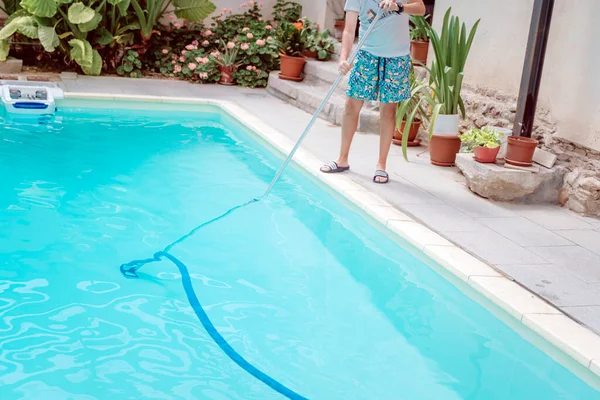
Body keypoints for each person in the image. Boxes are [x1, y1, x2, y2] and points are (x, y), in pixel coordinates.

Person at [320, 0, 426, 183]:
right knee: (351, 106)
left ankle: (381, 165)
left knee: (388, 111)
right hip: (366, 55)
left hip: (396, 58)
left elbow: (420, 9)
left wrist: (398, 7)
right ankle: (342, 159)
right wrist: (343, 59)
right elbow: (348, 29)